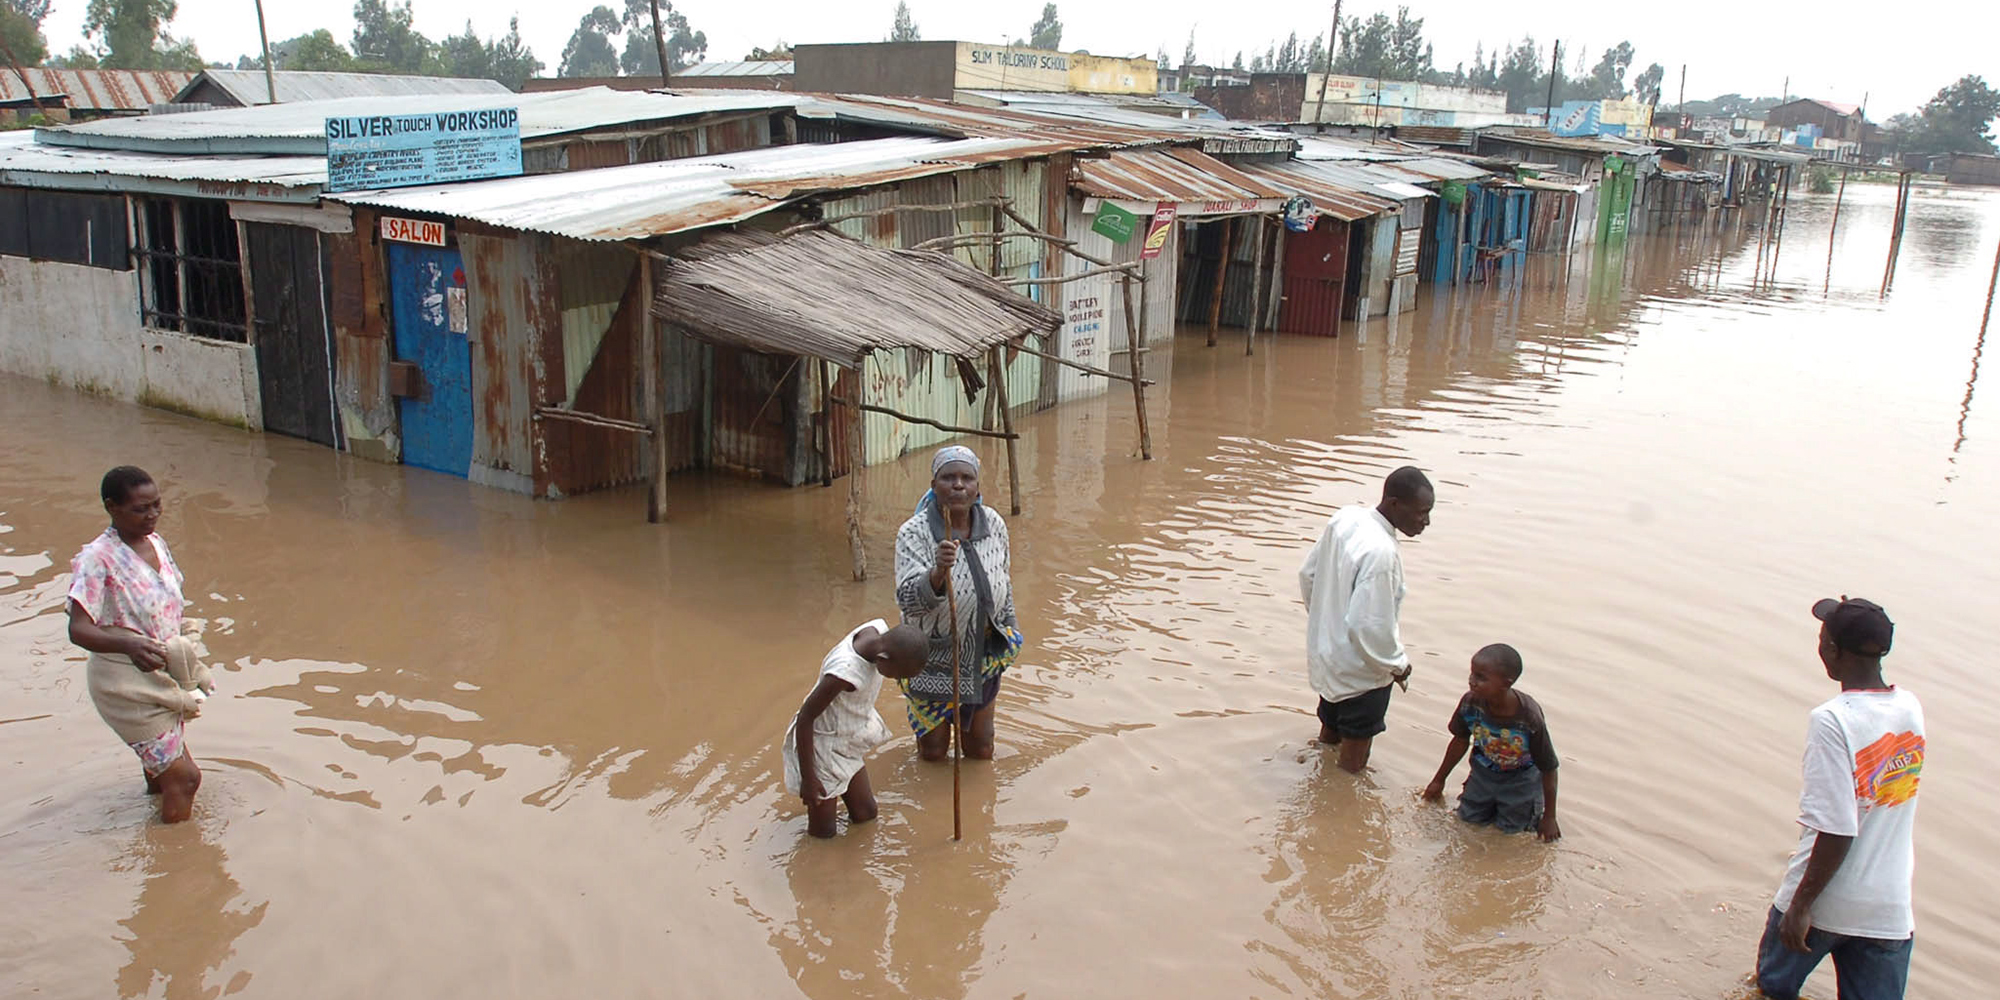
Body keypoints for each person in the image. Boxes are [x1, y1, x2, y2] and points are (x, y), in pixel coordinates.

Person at [1754, 597, 1923, 1000]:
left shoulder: (1832, 720)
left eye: (1822, 637)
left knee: (1771, 990)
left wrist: (1799, 907)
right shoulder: (1910, 708)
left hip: (1825, 901)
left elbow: (1837, 828)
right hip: (1888, 911)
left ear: (1831, 650)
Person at [64, 466, 205, 824]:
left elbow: (168, 608)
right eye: (140, 509)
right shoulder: (98, 559)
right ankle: (176, 864)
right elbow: (78, 629)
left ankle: (154, 816)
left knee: (163, 775)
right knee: (185, 778)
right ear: (112, 507)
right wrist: (129, 645)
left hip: (159, 674)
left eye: (157, 505)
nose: (152, 515)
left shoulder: (156, 542)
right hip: (124, 683)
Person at [1298, 465, 1434, 774]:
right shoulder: (1382, 552)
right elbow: (1369, 626)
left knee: (1329, 731)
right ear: (1395, 503)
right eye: (1421, 512)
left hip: (1329, 658)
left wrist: (1326, 626)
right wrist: (1398, 665)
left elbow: (1308, 574)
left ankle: (1319, 779)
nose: (1426, 521)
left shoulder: (1346, 518)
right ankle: (1340, 810)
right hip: (1362, 676)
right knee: (1353, 763)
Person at [895, 446, 1024, 763]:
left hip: (982, 654)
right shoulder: (913, 533)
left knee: (981, 747)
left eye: (967, 478)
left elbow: (1003, 581)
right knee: (934, 751)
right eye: (948, 477)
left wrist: (1010, 631)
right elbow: (908, 601)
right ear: (933, 484)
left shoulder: (993, 524)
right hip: (931, 658)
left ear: (977, 486)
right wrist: (937, 573)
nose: (958, 485)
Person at [785, 620, 928, 839]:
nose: (898, 680)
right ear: (883, 660)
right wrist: (809, 778)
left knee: (866, 813)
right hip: (822, 747)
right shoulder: (844, 674)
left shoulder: (878, 630)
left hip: (847, 737)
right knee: (824, 834)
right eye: (899, 675)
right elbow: (806, 718)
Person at [1421, 644, 1561, 841]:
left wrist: (1550, 816)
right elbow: (1460, 740)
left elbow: (1549, 767)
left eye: (1481, 677)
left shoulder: (1529, 717)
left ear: (1506, 683)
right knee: (1467, 823)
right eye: (1472, 674)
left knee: (1512, 834)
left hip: (1521, 782)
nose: (1472, 681)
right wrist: (1438, 780)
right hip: (1482, 775)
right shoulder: (1470, 703)